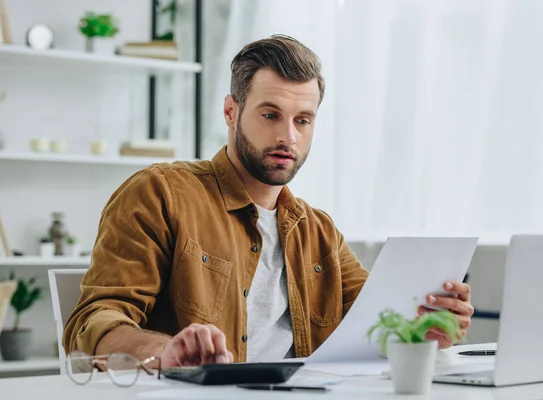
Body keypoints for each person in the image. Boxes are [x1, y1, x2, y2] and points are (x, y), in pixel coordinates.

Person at [63, 34, 474, 368]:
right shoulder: (162, 194)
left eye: (302, 120)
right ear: (230, 111)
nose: (288, 137)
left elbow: (376, 325)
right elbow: (92, 321)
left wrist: (429, 324)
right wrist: (162, 352)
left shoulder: (319, 231)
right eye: (270, 114)